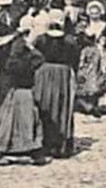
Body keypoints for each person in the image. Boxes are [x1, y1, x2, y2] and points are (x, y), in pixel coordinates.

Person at [0, 17, 47, 166]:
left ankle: (5, 150)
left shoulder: (4, 49)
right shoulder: (24, 58)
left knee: (9, 120)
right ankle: (31, 151)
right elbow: (40, 59)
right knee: (27, 121)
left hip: (14, 90)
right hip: (23, 90)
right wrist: (30, 47)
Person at [33, 10, 79, 157]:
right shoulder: (70, 41)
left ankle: (44, 142)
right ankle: (60, 144)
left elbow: (34, 57)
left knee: (45, 104)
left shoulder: (40, 39)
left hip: (44, 75)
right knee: (61, 106)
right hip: (63, 76)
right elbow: (75, 61)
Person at [75, 0, 106, 116]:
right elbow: (79, 39)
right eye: (92, 13)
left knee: (98, 77)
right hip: (86, 54)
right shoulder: (84, 26)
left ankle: (95, 103)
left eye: (97, 13)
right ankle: (86, 103)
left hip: (100, 53)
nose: (94, 15)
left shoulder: (104, 25)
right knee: (85, 77)